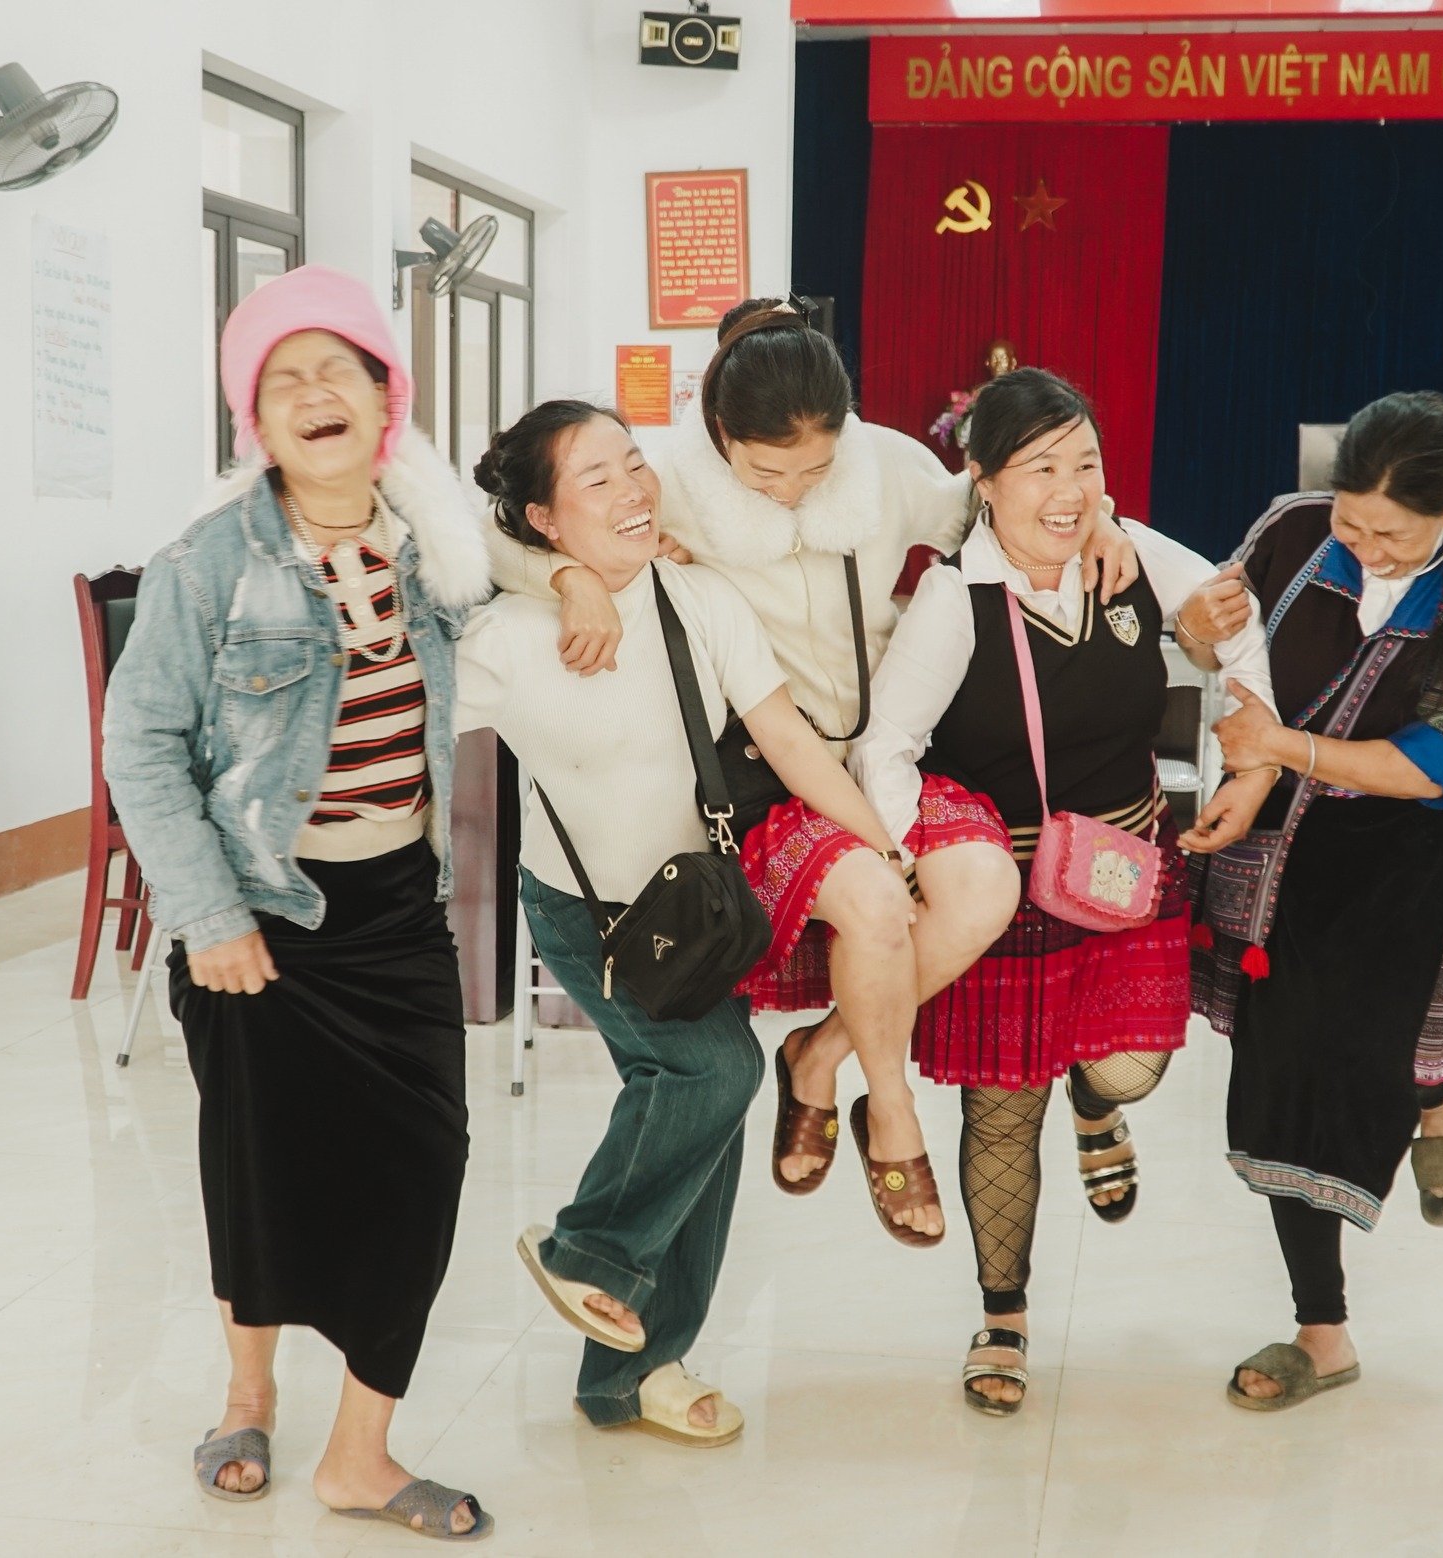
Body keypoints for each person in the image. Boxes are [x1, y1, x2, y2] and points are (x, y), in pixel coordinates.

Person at [483, 302, 1242, 1248]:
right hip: (769, 766)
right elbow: (507, 527)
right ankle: (891, 1111)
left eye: (816, 469)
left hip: (886, 745)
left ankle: (819, 1054)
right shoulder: (669, 480)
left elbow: (1008, 492)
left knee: (982, 889)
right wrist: (569, 579)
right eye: (767, 474)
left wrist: (1104, 523)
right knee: (879, 904)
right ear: (721, 435)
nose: (793, 492)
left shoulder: (883, 464)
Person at [104, 266, 491, 1539]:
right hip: (258, 914)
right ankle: (248, 1394)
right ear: (254, 421)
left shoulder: (437, 542)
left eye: (339, 369)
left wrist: (590, 582)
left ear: (388, 398)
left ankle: (357, 1458)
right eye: (283, 379)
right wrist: (207, 915)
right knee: (260, 1171)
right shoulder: (206, 563)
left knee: (424, 1164)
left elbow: (544, 579)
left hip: (398, 908)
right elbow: (140, 746)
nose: (313, 392)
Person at [462, 399, 908, 1443]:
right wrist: (561, 579)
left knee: (703, 1115)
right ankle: (586, 1251)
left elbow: (787, 741)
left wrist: (886, 847)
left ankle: (633, 1374)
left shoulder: (699, 599)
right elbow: (422, 662)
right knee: (716, 1074)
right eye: (598, 480)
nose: (633, 492)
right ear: (543, 519)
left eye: (635, 465)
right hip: (585, 914)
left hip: (693, 911)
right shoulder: (508, 634)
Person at [850, 368, 1276, 1414]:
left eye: (1084, 463)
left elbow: (1234, 621)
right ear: (984, 481)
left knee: (1130, 1067)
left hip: (1124, 872)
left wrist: (1251, 762)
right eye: (1040, 468)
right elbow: (884, 749)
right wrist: (917, 864)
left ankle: (1096, 1106)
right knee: (1004, 1112)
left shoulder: (1130, 556)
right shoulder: (955, 598)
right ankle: (1002, 1318)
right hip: (1006, 889)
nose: (1069, 489)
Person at [1190, 390, 1443, 1412]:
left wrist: (1280, 749)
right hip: (1277, 854)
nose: (1365, 548)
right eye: (1351, 523)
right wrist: (1195, 629)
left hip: (1396, 870)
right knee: (1286, 1082)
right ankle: (1322, 1333)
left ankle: (1442, 1087)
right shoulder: (1292, 531)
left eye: (1392, 535)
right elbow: (1229, 661)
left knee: (1370, 1063)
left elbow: (1437, 764)